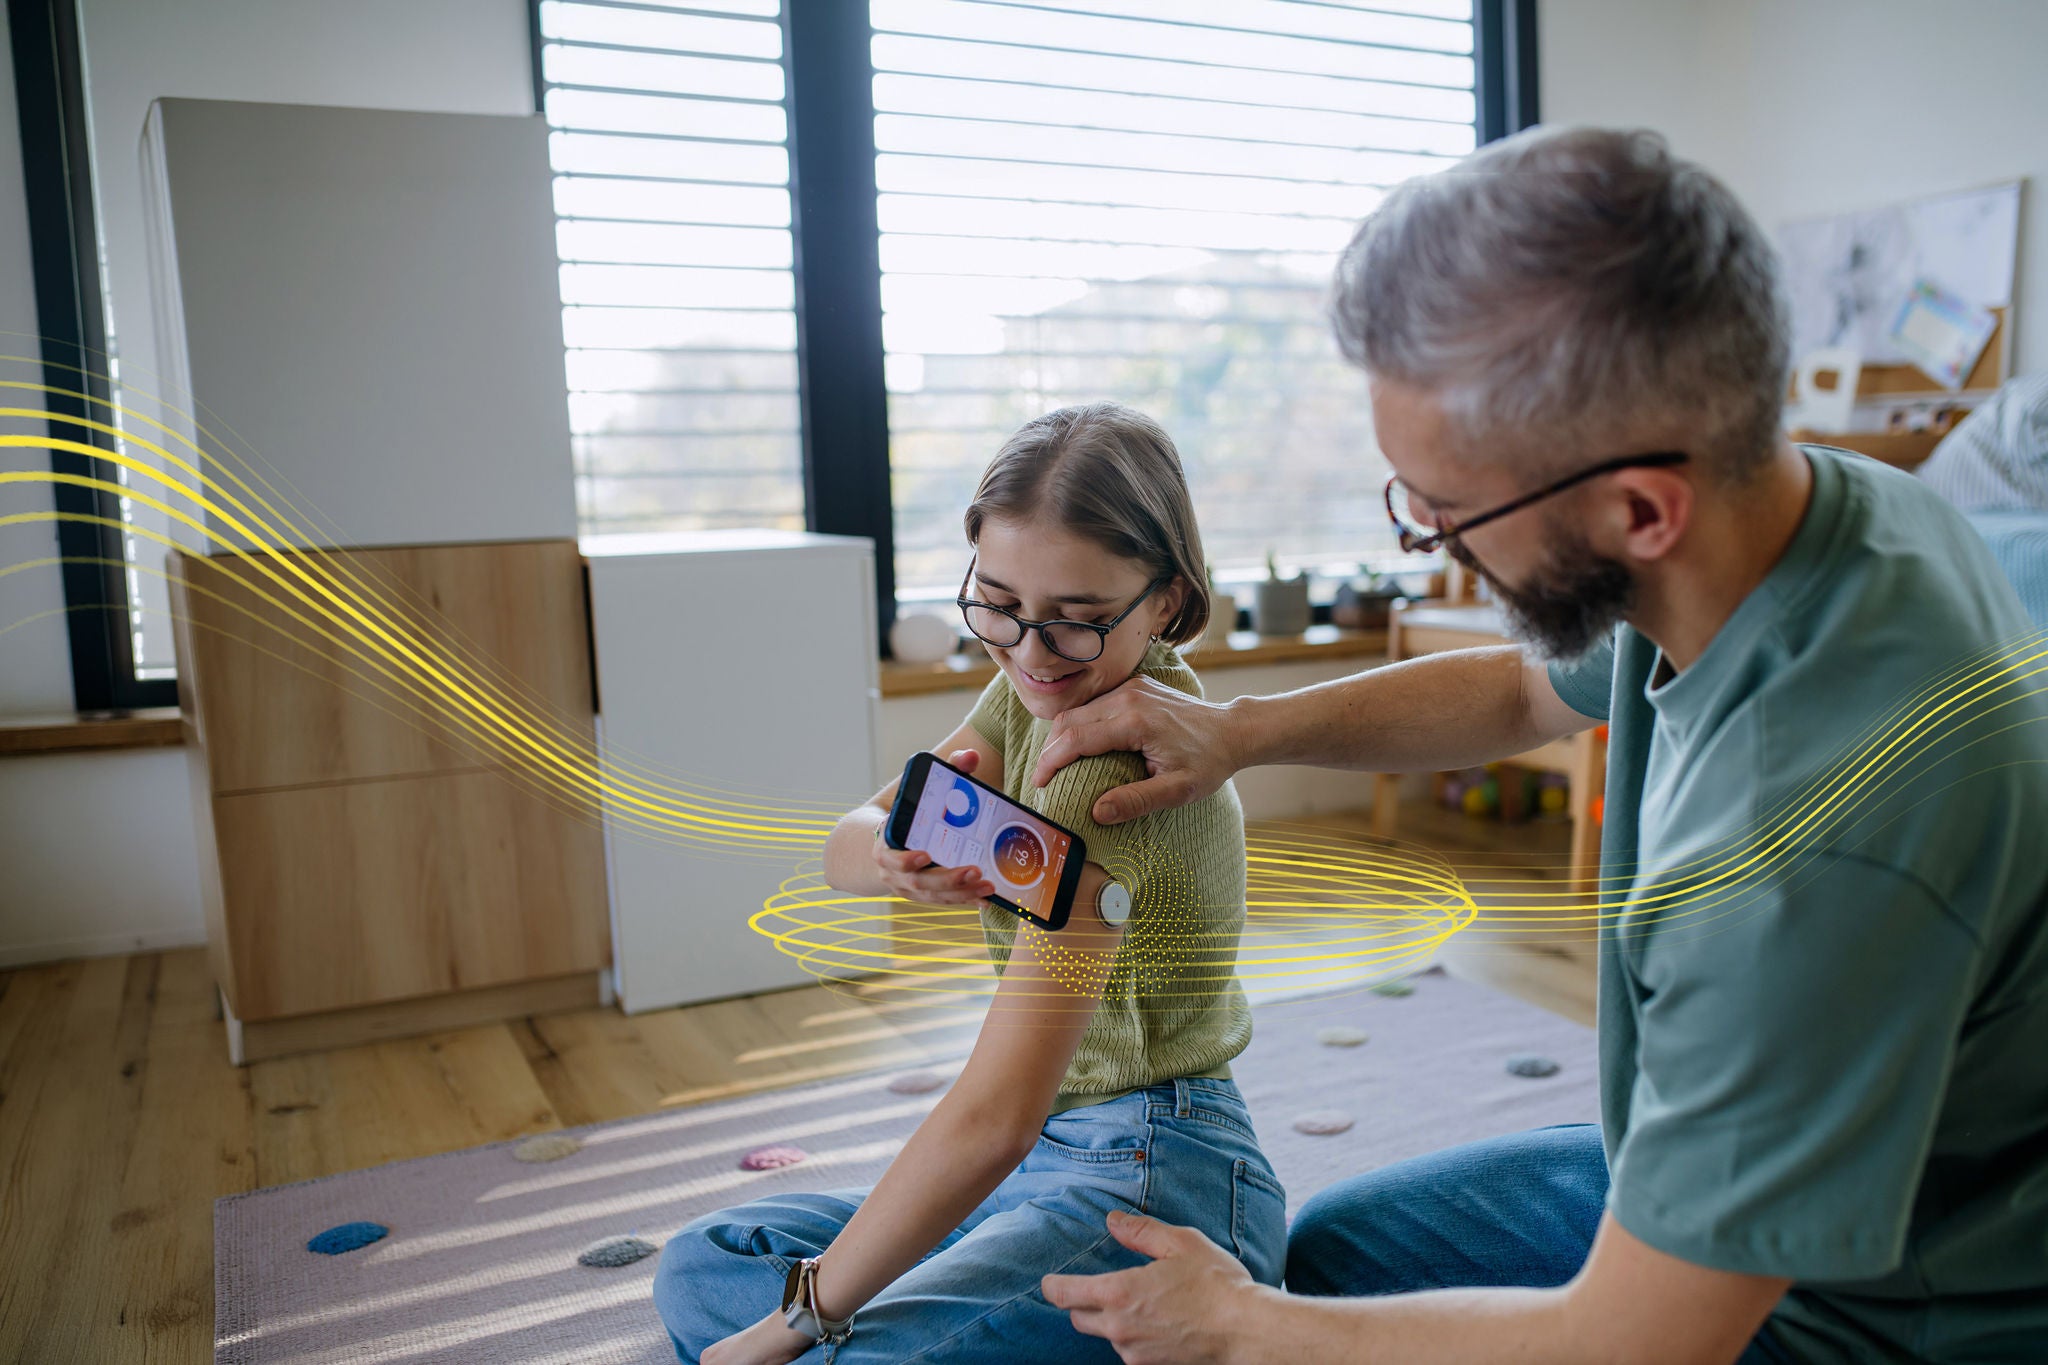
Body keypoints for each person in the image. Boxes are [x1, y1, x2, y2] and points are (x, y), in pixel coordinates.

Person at [1033, 127, 2048, 1364]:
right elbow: (1520, 693)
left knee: (1287, 1329)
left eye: (1447, 511)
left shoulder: (1805, 848)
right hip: (1783, 1144)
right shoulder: (1802, 513)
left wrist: (1241, 1328)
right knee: (1340, 1255)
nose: (1437, 543)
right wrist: (1240, 732)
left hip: (1879, 1312)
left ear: (1638, 509)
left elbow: (1638, 1341)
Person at [654, 402, 1287, 1364]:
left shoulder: (1113, 775)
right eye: (998, 604)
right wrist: (888, 858)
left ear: (1166, 600)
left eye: (1077, 621)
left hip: (1155, 1180)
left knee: (792, 1327)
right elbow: (844, 839)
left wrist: (790, 1327)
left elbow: (993, 1116)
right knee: (708, 1262)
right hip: (1046, 1164)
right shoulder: (1035, 684)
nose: (1030, 653)